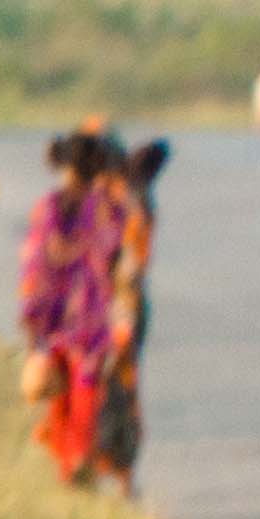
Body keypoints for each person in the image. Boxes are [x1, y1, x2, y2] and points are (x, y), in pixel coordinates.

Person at [18, 128, 158, 492]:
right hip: (94, 321)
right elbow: (125, 268)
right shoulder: (111, 211)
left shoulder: (47, 207)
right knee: (85, 388)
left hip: (53, 319)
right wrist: (124, 317)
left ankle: (67, 466)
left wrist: (31, 319)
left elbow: (32, 264)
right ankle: (80, 458)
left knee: (59, 395)